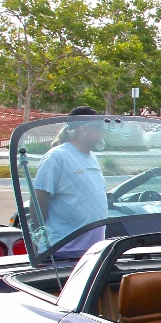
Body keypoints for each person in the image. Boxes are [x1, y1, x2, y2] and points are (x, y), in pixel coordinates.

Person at [32, 107, 108, 253]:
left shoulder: (92, 157)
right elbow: (39, 201)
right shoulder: (56, 157)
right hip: (64, 251)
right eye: (99, 127)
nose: (102, 132)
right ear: (83, 129)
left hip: (92, 252)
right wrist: (43, 239)